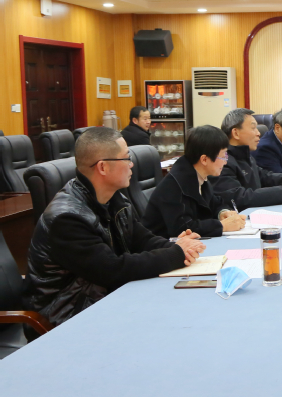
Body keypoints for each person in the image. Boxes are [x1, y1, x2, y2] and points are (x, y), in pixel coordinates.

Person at [22, 127, 206, 334]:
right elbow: (113, 270)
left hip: (103, 301)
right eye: (126, 158)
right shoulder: (67, 218)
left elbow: (143, 240)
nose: (131, 164)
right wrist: (176, 253)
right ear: (103, 167)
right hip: (66, 319)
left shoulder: (115, 199)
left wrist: (181, 248)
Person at [143, 125, 246, 238]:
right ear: (204, 159)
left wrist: (222, 213)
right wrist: (222, 225)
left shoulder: (199, 176)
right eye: (223, 156)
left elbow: (214, 203)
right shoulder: (175, 185)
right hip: (164, 244)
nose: (225, 162)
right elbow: (183, 228)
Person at [211, 108, 282, 210]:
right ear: (236, 133)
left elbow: (263, 176)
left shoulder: (246, 155)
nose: (258, 133)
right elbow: (238, 197)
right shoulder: (223, 161)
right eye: (253, 128)